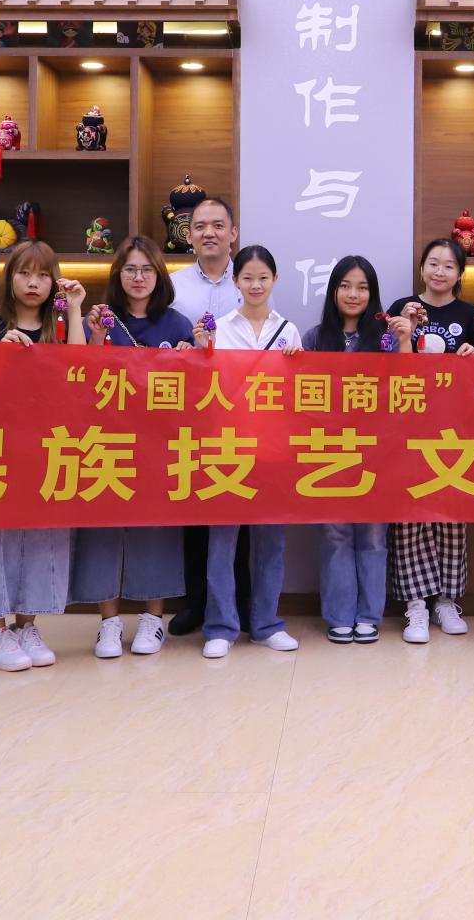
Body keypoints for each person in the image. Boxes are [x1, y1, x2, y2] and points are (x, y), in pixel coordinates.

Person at [0, 241, 88, 673]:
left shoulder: (60, 326)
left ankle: (27, 625)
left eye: (44, 275)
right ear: (9, 277)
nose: (34, 283)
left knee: (43, 537)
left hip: (48, 447)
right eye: (25, 273)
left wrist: (74, 310)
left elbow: (81, 371)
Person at [72, 235, 199, 657]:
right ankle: (108, 622)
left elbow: (195, 390)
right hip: (107, 439)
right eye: (130, 269)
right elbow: (82, 377)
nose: (139, 277)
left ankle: (152, 619)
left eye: (147, 269)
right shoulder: (101, 319)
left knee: (156, 529)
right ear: (118, 275)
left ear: (159, 275)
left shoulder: (177, 324)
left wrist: (190, 356)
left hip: (159, 443)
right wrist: (93, 337)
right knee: (103, 529)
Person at [305, 256, 414, 643]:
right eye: (346, 286)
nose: (354, 294)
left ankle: (369, 616)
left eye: (363, 287)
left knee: (372, 535)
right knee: (336, 534)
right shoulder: (315, 338)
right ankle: (339, 615)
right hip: (329, 451)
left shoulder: (386, 337)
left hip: (376, 451)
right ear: (334, 291)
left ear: (373, 294)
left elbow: (408, 387)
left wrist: (405, 342)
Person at [202, 244, 302, 657]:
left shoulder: (289, 331)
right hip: (227, 446)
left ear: (275, 280)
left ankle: (266, 624)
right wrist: (203, 352)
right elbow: (205, 388)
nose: (255, 285)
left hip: (274, 449)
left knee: (271, 543)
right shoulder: (218, 329)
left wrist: (298, 364)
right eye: (247, 278)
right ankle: (220, 627)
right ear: (235, 281)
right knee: (222, 542)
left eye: (263, 278)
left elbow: (298, 397)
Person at [388, 237, 474, 643]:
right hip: (409, 426)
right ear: (421, 269)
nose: (440, 271)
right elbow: (386, 367)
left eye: (449, 265)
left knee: (451, 511)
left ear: (460, 273)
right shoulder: (403, 307)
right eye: (433, 263)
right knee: (409, 512)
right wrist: (405, 332)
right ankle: (415, 604)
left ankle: (446, 599)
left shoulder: (470, 315)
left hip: (454, 428)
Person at [168, 195, 242, 638]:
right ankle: (196, 602)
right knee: (194, 506)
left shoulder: (249, 279)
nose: (209, 233)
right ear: (189, 235)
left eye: (217, 225)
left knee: (239, 505)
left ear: (233, 233)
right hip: (189, 412)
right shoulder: (173, 285)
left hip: (240, 410)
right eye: (200, 226)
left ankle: (239, 602)